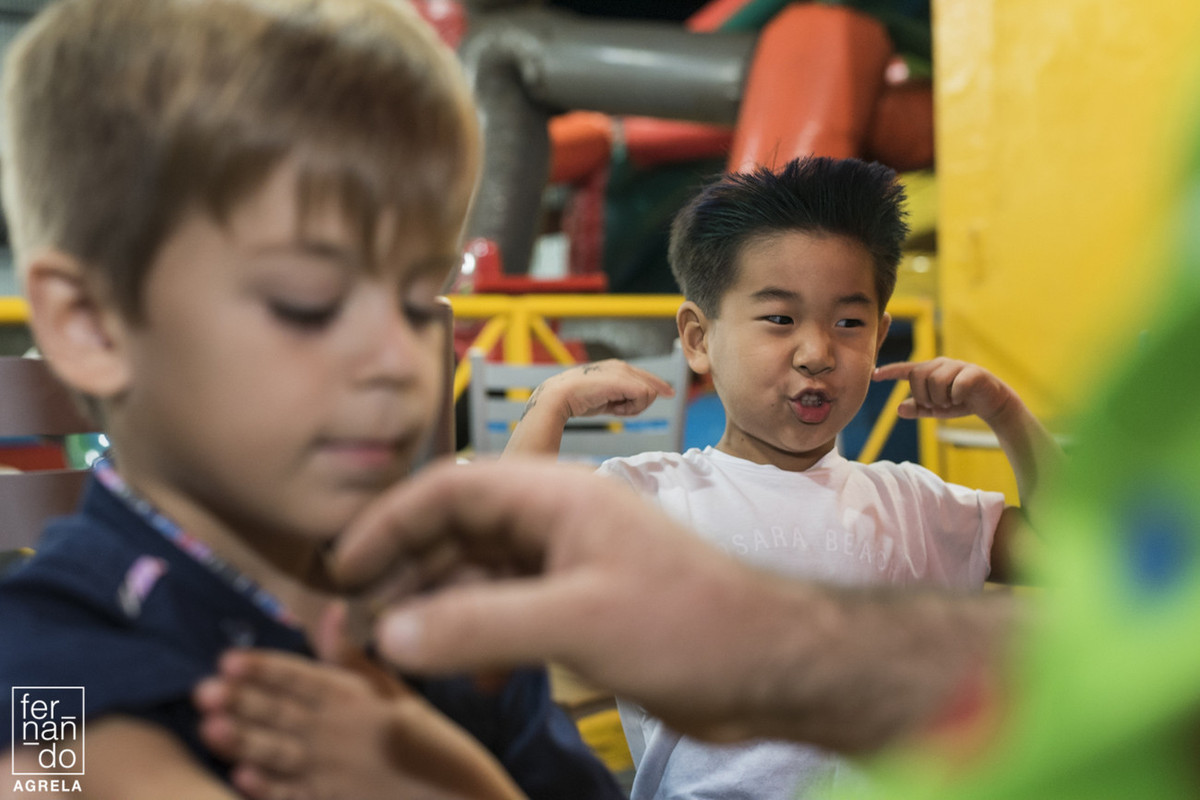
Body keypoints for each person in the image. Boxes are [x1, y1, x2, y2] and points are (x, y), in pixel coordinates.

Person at [0, 2, 622, 798]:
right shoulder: (43, 671)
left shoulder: (452, 618)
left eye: (417, 304)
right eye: (308, 304)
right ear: (92, 324)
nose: (400, 360)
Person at [503, 155, 1063, 798]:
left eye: (849, 323)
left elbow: (1080, 550)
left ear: (880, 336)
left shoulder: (915, 505)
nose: (818, 353)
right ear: (698, 338)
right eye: (780, 319)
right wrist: (550, 404)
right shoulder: (648, 497)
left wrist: (1007, 413)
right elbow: (498, 558)